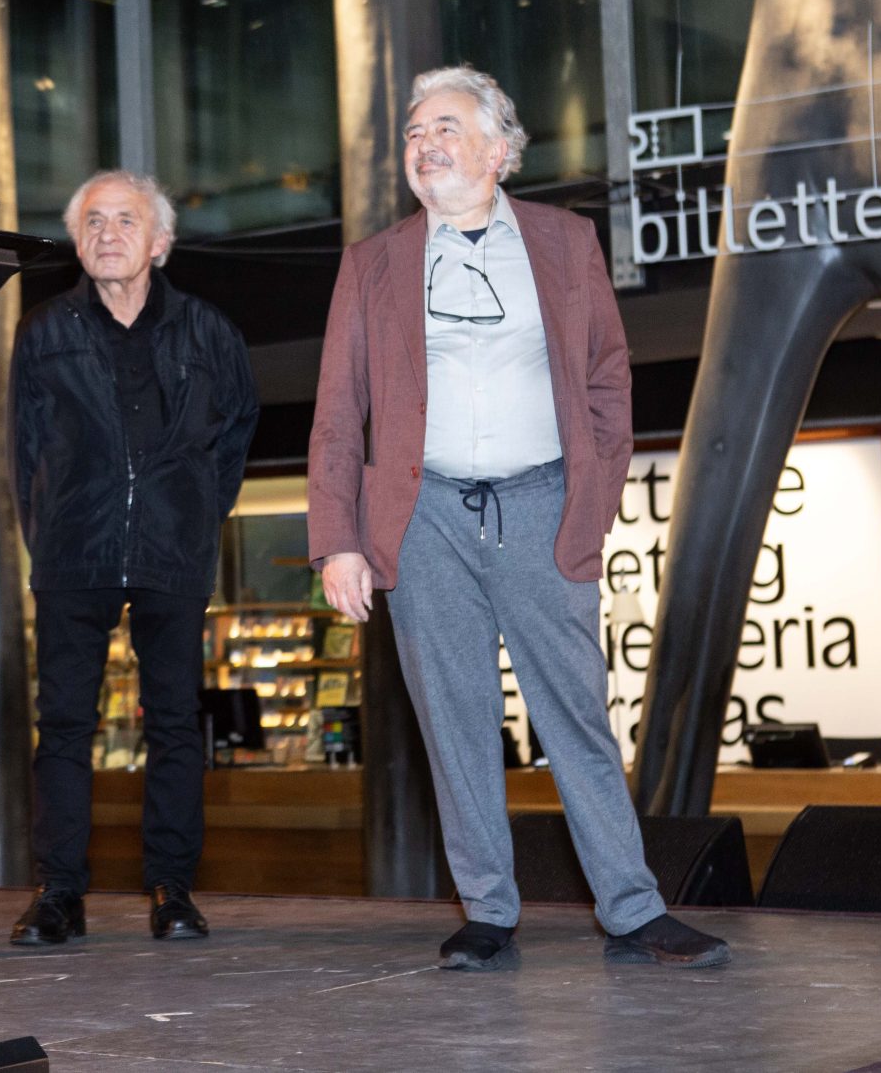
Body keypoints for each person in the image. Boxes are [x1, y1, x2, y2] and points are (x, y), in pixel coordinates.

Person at [308, 66, 729, 972]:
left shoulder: (564, 240)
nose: (425, 144)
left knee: (574, 714)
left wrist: (594, 501)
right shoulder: (372, 262)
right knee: (454, 719)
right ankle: (489, 910)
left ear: (500, 150)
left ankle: (631, 905)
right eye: (415, 132)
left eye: (446, 127)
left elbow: (609, 378)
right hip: (423, 520)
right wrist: (338, 537)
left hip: (543, 504)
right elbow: (340, 410)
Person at [8, 171, 258, 946]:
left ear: (161, 241)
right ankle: (59, 893)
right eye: (92, 221)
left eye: (125, 220)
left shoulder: (210, 330)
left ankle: (172, 889)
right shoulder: (42, 329)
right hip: (73, 552)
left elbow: (237, 431)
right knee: (64, 727)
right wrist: (49, 531)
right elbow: (24, 455)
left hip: (172, 552)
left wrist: (192, 515)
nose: (107, 233)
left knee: (177, 724)